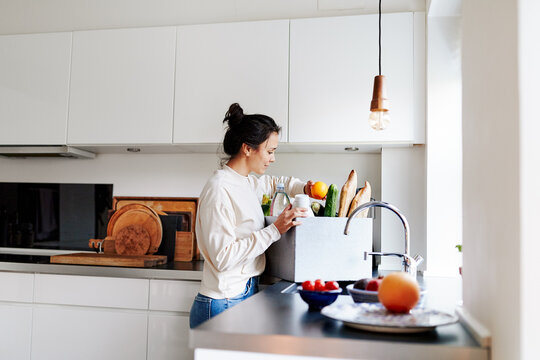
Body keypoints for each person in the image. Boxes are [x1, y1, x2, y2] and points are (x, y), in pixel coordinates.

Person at [189, 103, 315, 328]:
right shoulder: (219, 189)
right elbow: (222, 258)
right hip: (223, 302)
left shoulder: (246, 181)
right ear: (247, 148)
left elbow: (276, 183)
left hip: (242, 294)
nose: (273, 158)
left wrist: (304, 188)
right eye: (270, 151)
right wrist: (274, 230)